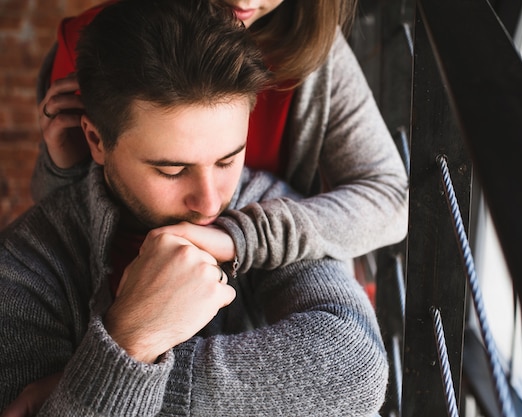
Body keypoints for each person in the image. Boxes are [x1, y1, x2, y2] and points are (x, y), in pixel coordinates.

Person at [0, 0, 388, 415]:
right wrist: (132, 335)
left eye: (228, 160)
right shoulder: (23, 266)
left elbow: (354, 372)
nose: (209, 202)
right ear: (95, 140)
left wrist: (103, 372)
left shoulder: (262, 207)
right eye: (171, 170)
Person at [32, 0, 409, 276]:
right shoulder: (91, 45)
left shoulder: (312, 56)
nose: (245, 2)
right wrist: (60, 170)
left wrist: (242, 237)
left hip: (266, 289)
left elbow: (390, 199)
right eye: (172, 169)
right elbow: (57, 227)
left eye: (229, 160)